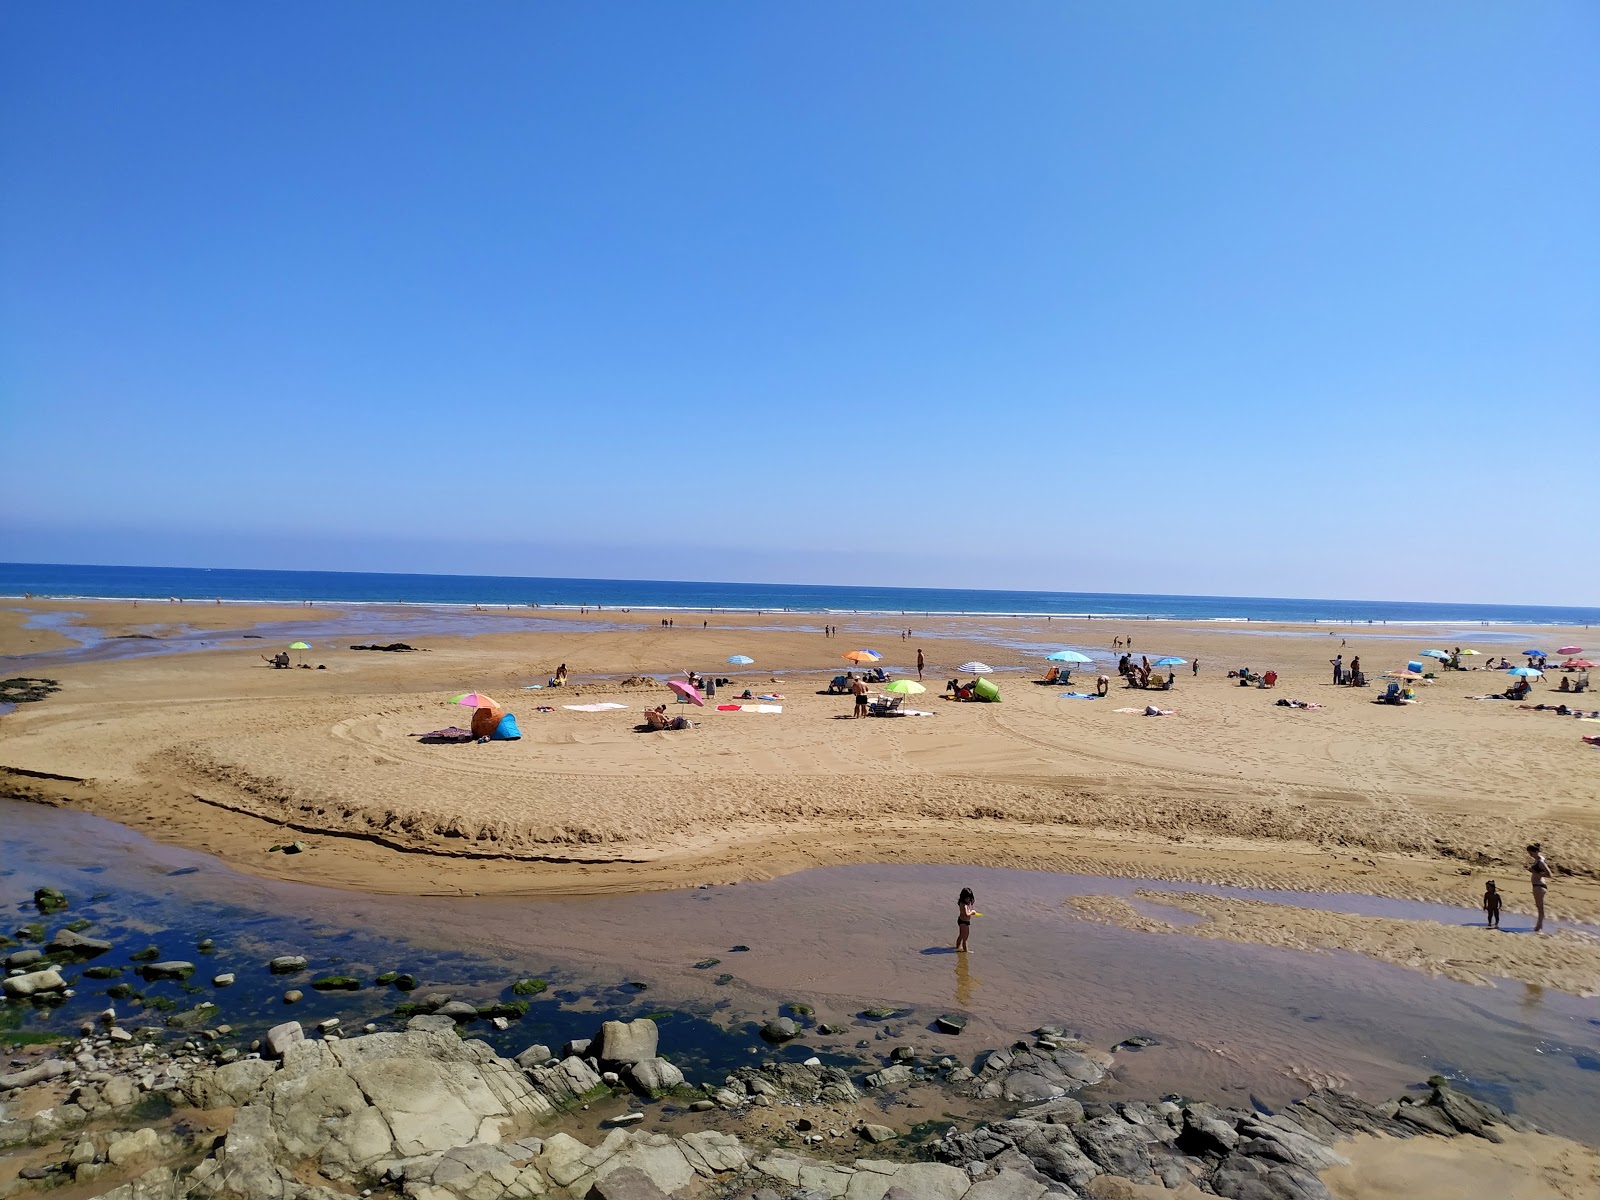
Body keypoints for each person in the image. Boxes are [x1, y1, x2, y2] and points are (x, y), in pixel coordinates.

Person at [1528, 844, 1551, 932]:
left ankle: (1539, 927)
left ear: (1536, 852)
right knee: (1539, 907)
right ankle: (1538, 926)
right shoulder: (1538, 860)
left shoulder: (1540, 862)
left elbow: (1549, 874)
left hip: (1539, 886)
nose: (1530, 855)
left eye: (1531, 853)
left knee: (1540, 907)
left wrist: (1534, 872)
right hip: (1537, 885)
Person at [956, 887, 976, 952]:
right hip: (964, 922)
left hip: (961, 920)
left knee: (961, 935)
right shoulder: (964, 905)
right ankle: (966, 951)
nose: (968, 899)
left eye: (969, 898)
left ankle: (957, 947)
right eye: (967, 898)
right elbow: (966, 914)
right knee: (965, 938)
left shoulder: (962, 903)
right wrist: (972, 912)